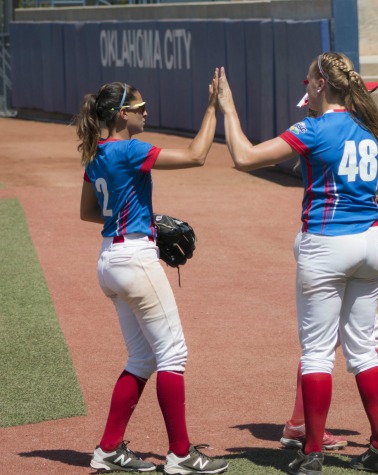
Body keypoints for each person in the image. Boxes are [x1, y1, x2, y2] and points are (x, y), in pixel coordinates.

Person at [217, 52, 378, 475]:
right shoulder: (370, 128)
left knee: (318, 351)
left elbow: (244, 157)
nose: (304, 86)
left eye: (308, 80)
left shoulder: (314, 128)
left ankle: (313, 452)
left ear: (322, 84)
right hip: (368, 244)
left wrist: (227, 110)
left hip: (326, 244)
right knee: (363, 349)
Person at [76, 76, 229, 474]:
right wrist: (213, 108)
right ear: (122, 114)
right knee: (173, 354)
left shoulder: (97, 152)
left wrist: (144, 217)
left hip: (110, 258)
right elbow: (197, 155)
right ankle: (180, 455)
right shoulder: (129, 149)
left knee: (141, 357)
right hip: (135, 261)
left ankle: (108, 449)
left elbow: (89, 212)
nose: (146, 112)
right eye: (140, 108)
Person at [281, 77, 378, 452]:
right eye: (360, 90)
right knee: (356, 342)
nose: (364, 95)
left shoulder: (330, 132)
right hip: (343, 246)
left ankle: (300, 424)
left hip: (322, 244)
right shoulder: (346, 132)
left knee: (323, 344)